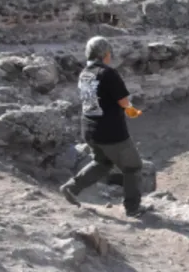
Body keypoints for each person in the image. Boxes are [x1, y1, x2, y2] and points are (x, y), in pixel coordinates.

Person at [60, 36, 147, 217]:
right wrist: (132, 111)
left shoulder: (85, 73)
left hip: (89, 129)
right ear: (105, 54)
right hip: (111, 132)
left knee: (102, 163)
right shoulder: (108, 73)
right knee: (133, 167)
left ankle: (72, 187)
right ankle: (133, 208)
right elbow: (123, 101)